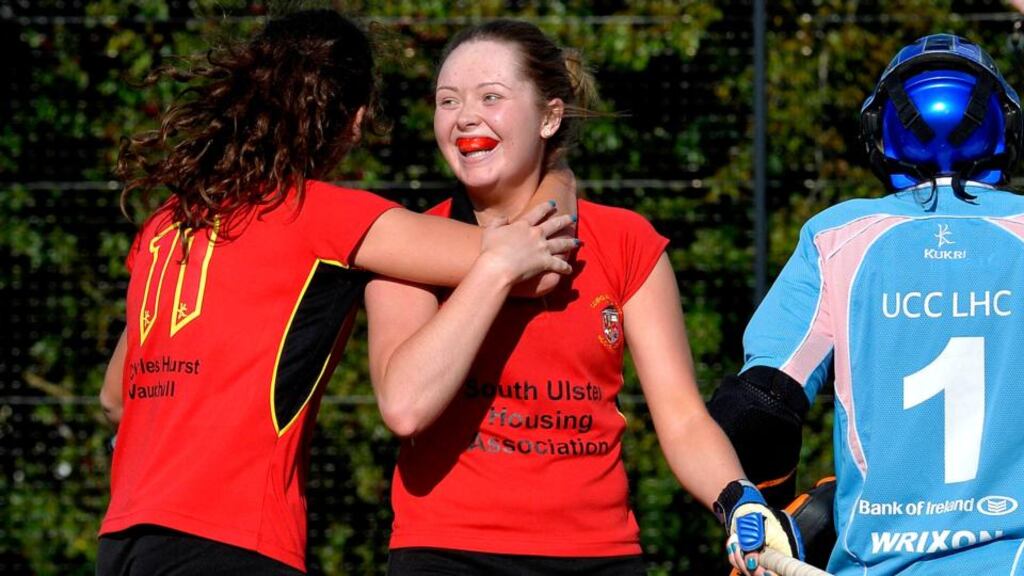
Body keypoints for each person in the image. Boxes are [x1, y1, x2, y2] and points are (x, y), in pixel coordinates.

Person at [96, 9, 582, 575]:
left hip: (123, 540)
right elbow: (536, 258)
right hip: (234, 542)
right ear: (352, 121)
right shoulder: (325, 216)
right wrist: (559, 172)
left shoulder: (167, 225)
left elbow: (116, 397)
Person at [365, 20, 799, 576]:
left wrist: (739, 498)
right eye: (447, 101)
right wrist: (497, 267)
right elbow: (405, 407)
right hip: (446, 552)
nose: (465, 116)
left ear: (549, 117)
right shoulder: (406, 244)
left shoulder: (626, 241)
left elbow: (684, 419)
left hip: (597, 555)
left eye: (491, 97)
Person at [708, 33, 1024, 575]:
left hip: (879, 560)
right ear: (1002, 127)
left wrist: (769, 503)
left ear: (883, 134)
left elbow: (759, 406)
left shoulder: (837, 236)